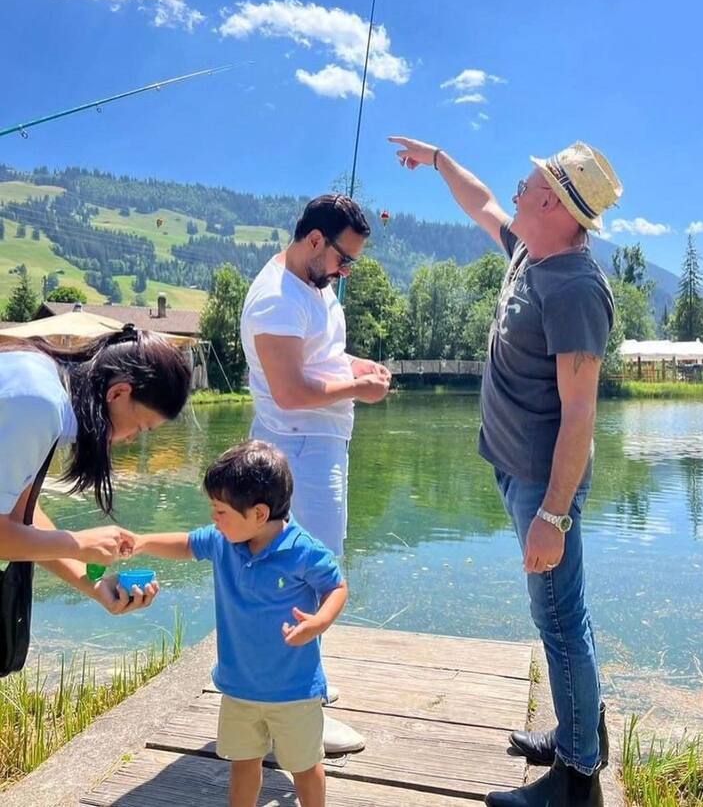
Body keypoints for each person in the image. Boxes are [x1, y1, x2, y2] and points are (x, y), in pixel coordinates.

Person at [390, 137, 620, 807]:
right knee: (562, 614)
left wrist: (553, 513)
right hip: (516, 471)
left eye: (530, 182)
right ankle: (583, 732)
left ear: (552, 200)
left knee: (558, 618)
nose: (517, 189)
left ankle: (578, 782)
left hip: (544, 486)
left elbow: (580, 413)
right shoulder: (529, 250)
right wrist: (436, 160)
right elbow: (481, 200)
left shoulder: (576, 286)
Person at [240, 193, 390, 753]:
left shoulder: (315, 286)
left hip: (321, 446)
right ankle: (293, 721)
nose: (345, 271)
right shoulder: (275, 300)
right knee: (310, 576)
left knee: (309, 570)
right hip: (296, 450)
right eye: (343, 259)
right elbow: (289, 390)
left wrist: (358, 367)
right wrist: (360, 389)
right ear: (313, 241)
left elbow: (319, 362)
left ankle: (299, 691)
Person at [134, 440, 348, 807]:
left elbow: (337, 587)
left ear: (259, 514)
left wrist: (319, 622)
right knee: (243, 761)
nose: (214, 519)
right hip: (239, 688)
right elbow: (185, 544)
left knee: (305, 764)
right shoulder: (224, 540)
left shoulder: (304, 550)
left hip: (294, 690)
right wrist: (139, 542)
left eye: (221, 511)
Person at [0, 325, 192, 623]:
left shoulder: (43, 378)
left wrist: (95, 584)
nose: (130, 440)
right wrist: (79, 543)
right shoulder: (39, 405)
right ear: (118, 392)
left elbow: (18, 516)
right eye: (140, 427)